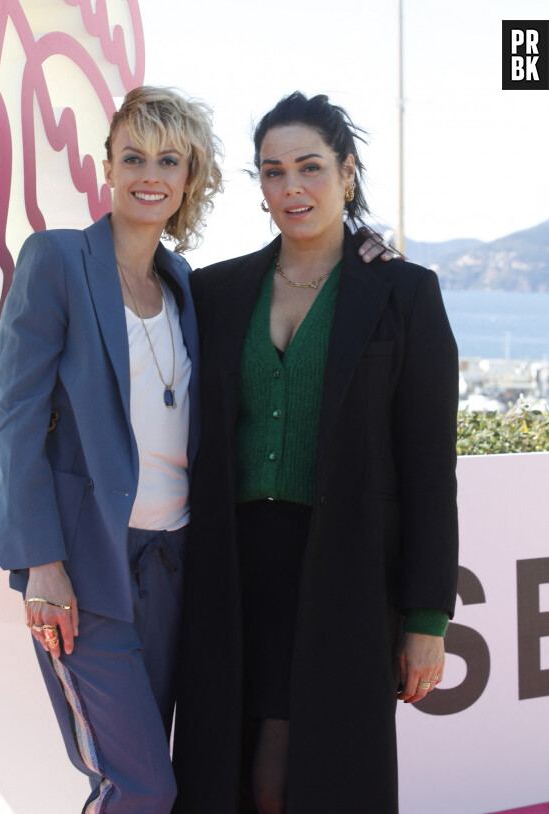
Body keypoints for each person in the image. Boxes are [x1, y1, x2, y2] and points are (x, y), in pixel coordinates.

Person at [172, 92, 459, 814]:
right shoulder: (215, 291)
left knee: (310, 778)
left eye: (309, 167)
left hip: (346, 571)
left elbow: (430, 468)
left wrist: (427, 619)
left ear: (348, 173)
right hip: (233, 569)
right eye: (272, 172)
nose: (291, 188)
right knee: (232, 774)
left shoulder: (404, 293)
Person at [0, 86, 222, 814]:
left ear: (190, 179)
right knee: (142, 785)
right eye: (133, 157)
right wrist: (42, 563)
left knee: (142, 779)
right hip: (86, 570)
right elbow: (17, 412)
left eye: (168, 159)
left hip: (174, 564)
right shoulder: (57, 259)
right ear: (107, 169)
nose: (149, 174)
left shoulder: (183, 284)